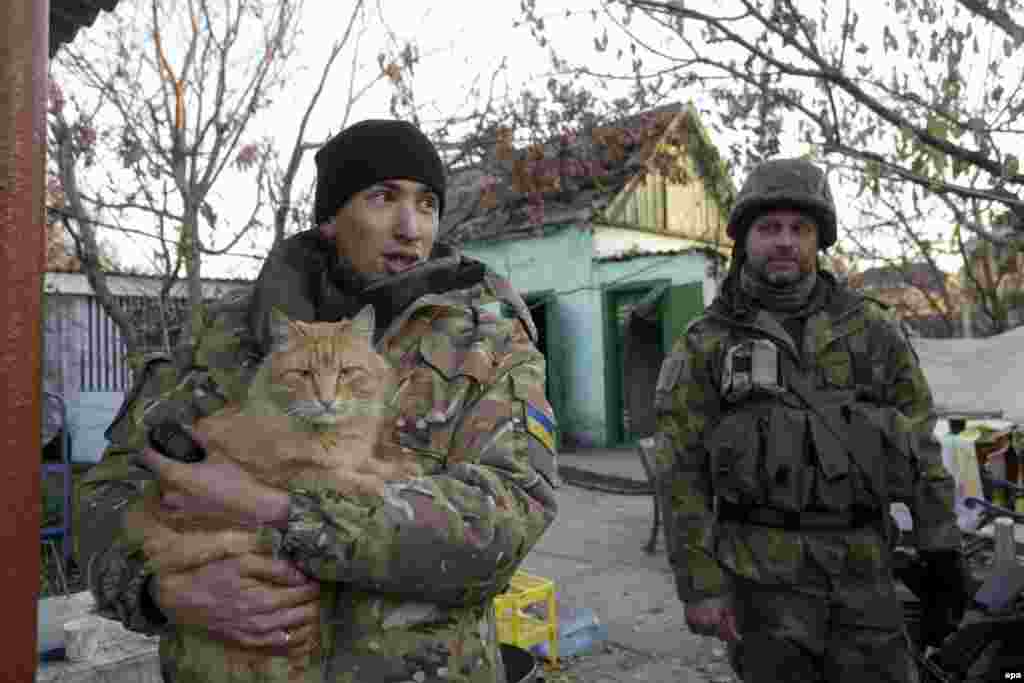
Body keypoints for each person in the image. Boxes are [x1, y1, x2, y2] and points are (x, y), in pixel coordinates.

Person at [74, 119, 560, 683]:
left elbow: (509, 520)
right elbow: (107, 496)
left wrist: (280, 510)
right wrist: (161, 591)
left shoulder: (487, 340)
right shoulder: (226, 331)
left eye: (426, 204)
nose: (410, 227)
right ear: (330, 218)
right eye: (382, 197)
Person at [651, 158, 967, 682]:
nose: (784, 241)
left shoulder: (870, 330)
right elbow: (680, 470)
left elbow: (918, 442)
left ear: (820, 240)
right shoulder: (707, 342)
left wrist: (940, 543)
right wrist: (701, 586)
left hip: (864, 576)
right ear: (744, 238)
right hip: (760, 586)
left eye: (800, 229)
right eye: (769, 227)